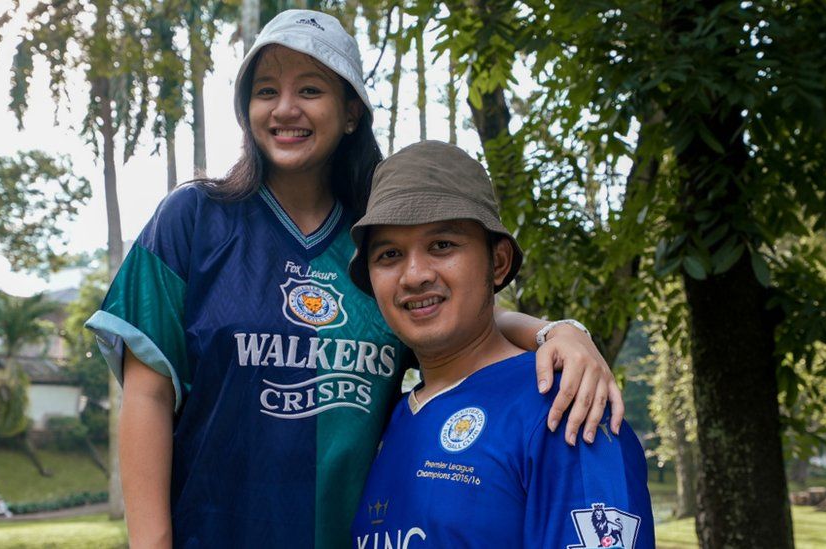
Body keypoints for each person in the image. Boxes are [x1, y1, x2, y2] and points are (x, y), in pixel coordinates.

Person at [85, 9, 623, 548]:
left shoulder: (380, 239)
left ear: (350, 112)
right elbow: (148, 394)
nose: (286, 109)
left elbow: (462, 316)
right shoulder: (193, 220)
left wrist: (558, 332)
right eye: (266, 90)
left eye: (311, 89)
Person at [348, 141, 653, 548]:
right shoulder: (388, 417)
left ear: (499, 262)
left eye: (442, 245)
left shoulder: (564, 405)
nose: (414, 275)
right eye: (389, 254)